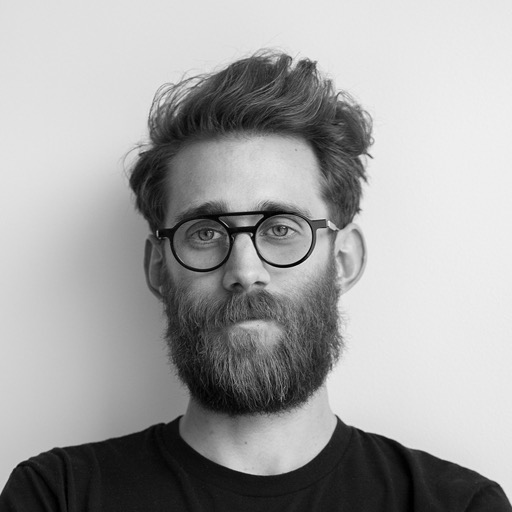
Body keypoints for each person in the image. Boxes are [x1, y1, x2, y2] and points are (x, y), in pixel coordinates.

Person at [1, 51, 510, 512]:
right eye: (205, 233)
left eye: (281, 229)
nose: (245, 271)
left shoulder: (458, 505)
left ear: (343, 259)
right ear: (158, 266)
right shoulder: (56, 496)